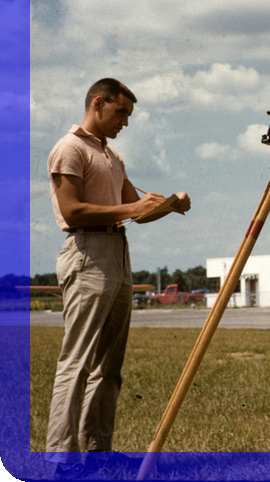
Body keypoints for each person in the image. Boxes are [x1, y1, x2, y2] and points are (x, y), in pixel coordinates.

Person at [45, 78, 191, 480]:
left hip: (117, 251)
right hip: (87, 251)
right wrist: (133, 208)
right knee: (77, 360)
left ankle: (97, 452)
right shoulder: (70, 148)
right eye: (120, 112)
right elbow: (72, 211)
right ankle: (63, 460)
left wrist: (170, 205)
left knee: (109, 363)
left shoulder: (111, 155)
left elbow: (136, 211)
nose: (125, 121)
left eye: (128, 115)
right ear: (98, 103)